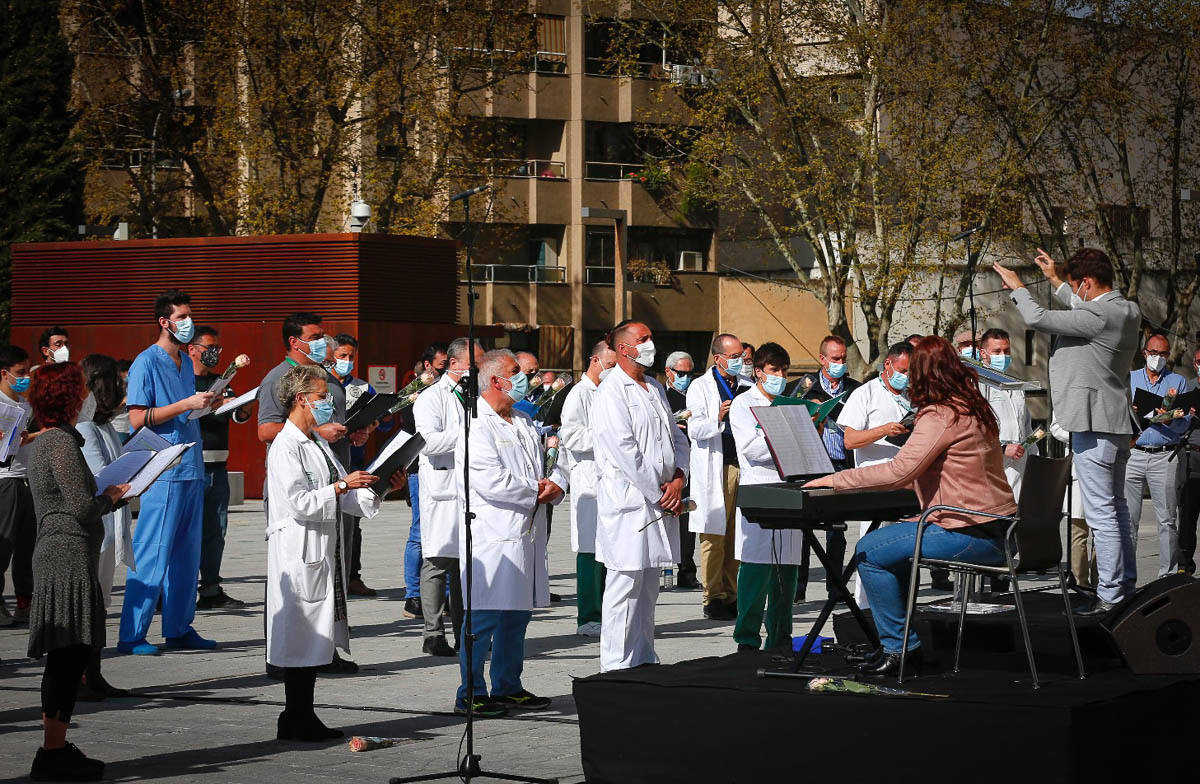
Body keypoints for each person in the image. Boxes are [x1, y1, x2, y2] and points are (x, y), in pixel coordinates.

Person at [805, 336, 1018, 675]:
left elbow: (899, 470)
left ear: (923, 374)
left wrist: (835, 479)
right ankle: (902, 644)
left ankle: (900, 647)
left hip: (970, 531)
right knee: (895, 554)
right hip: (997, 527)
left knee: (867, 552)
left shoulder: (941, 413)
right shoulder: (972, 405)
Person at [994, 247, 1140, 615]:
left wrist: (1018, 286)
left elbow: (1039, 318)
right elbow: (1081, 307)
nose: (1077, 293)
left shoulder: (1098, 315)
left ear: (1088, 283)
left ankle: (1109, 595)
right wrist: (1057, 279)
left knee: (1101, 513)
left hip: (1094, 422)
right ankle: (1124, 585)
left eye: (1079, 286)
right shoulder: (1125, 308)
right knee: (1116, 509)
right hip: (1114, 421)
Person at [265, 365, 401, 741]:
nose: (328, 404)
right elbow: (300, 503)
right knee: (300, 632)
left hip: (322, 547)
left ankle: (301, 714)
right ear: (301, 399)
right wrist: (341, 485)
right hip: (298, 548)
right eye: (323, 397)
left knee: (314, 634)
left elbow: (346, 497)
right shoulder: (285, 446)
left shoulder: (318, 443)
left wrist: (383, 486)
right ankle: (295, 716)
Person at [26, 362, 128, 781]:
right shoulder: (59, 443)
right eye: (82, 391)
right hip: (64, 554)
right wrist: (111, 498)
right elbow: (82, 507)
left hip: (65, 551)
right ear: (69, 398)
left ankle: (56, 746)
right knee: (67, 657)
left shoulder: (53, 440)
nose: (88, 397)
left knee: (69, 656)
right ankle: (52, 752)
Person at [452, 349, 565, 717]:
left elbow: (553, 462)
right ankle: (470, 690)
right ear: (497, 380)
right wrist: (536, 489)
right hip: (492, 535)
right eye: (516, 372)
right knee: (483, 617)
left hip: (526, 532)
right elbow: (490, 482)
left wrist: (557, 485)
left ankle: (508, 685)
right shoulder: (476, 426)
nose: (524, 379)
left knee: (517, 615)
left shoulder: (522, 420)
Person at [257, 312, 362, 675]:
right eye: (316, 335)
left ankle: (324, 648)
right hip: (301, 499)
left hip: (331, 487)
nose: (326, 341)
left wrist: (350, 433)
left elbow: (330, 425)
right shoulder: (277, 379)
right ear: (294, 341)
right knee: (295, 581)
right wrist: (322, 435)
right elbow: (267, 429)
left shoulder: (327, 378)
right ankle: (282, 656)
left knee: (330, 572)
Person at [118, 290, 219, 655]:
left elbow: (184, 412)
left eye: (190, 315)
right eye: (183, 316)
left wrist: (207, 404)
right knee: (152, 550)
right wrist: (185, 403)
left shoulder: (185, 363)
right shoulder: (146, 362)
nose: (188, 322)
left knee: (186, 556)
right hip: (163, 469)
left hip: (191, 464)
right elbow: (136, 419)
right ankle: (131, 634)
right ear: (165, 322)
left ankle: (178, 627)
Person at [593, 321, 689, 671]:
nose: (651, 344)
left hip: (663, 498)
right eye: (643, 339)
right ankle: (615, 665)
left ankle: (644, 657)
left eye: (651, 337)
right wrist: (659, 491)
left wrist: (679, 478)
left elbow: (677, 438)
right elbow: (625, 451)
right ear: (623, 349)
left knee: (649, 586)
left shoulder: (653, 387)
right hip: (631, 503)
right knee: (625, 585)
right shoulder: (611, 391)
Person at [729, 343, 804, 651]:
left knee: (787, 571)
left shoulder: (791, 404)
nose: (780, 376)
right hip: (760, 488)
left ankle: (780, 639)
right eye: (774, 370)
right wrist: (783, 432)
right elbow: (752, 449)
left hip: (790, 487)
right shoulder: (743, 404)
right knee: (756, 569)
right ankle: (746, 639)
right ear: (759, 371)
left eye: (784, 371)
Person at [414, 337, 482, 656]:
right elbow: (428, 443)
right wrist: (470, 433)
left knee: (465, 565)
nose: (480, 369)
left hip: (472, 488)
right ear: (454, 364)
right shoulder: (430, 398)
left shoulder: (477, 396)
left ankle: (465, 633)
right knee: (439, 561)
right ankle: (433, 633)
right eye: (475, 363)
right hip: (443, 487)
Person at [836, 341, 914, 606]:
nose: (907, 376)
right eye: (903, 370)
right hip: (875, 486)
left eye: (912, 372)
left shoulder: (912, 396)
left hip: (906, 486)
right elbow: (849, 439)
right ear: (888, 364)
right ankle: (865, 610)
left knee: (903, 556)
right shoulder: (865, 394)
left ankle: (899, 612)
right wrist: (883, 430)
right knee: (872, 553)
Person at [75, 354, 133, 700]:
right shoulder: (84, 427)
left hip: (110, 519)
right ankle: (83, 675)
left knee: (100, 604)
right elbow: (102, 477)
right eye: (116, 382)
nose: (121, 389)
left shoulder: (104, 424)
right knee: (90, 603)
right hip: (96, 527)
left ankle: (93, 672)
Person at [787, 335, 861, 601]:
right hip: (811, 465)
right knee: (804, 529)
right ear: (822, 359)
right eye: (835, 359)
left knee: (836, 530)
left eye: (843, 358)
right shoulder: (803, 387)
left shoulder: (854, 388)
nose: (840, 363)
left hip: (841, 463)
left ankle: (835, 587)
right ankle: (799, 588)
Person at [187, 326, 254, 610]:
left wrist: (242, 408)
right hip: (188, 467)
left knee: (216, 532)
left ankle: (211, 590)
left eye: (218, 348)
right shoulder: (180, 381)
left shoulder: (222, 381)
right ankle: (176, 591)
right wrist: (210, 404)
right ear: (192, 348)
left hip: (218, 468)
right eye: (208, 348)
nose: (214, 353)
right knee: (186, 533)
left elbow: (237, 415)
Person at [687, 332, 747, 620]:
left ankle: (733, 592)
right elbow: (694, 429)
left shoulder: (747, 386)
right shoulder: (701, 387)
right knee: (714, 534)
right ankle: (713, 596)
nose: (739, 362)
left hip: (742, 466)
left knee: (737, 534)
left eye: (742, 357)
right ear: (718, 358)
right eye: (734, 357)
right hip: (716, 468)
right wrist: (718, 418)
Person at [560, 340, 617, 636]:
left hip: (611, 481)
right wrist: (608, 435)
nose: (613, 370)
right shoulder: (579, 395)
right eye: (609, 365)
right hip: (589, 481)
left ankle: (608, 611)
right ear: (594, 360)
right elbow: (571, 436)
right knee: (588, 549)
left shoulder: (611, 391)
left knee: (609, 549)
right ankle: (588, 616)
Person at [1126, 333, 1190, 577]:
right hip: (1133, 454)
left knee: (1167, 520)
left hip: (1165, 455)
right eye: (1154, 353)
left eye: (1163, 354)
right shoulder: (1129, 379)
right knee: (1128, 520)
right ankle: (1127, 578)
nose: (1158, 358)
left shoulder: (1177, 381)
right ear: (1145, 353)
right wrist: (1132, 412)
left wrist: (1170, 418)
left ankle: (1168, 575)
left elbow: (1185, 423)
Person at [397, 342, 449, 620]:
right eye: (442, 366)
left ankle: (449, 595)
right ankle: (413, 595)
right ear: (428, 365)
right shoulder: (416, 395)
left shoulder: (452, 391)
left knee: (449, 531)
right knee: (419, 532)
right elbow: (413, 430)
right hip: (419, 469)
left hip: (448, 469)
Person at [330, 333, 379, 597]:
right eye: (342, 356)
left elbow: (378, 419)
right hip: (330, 459)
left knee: (353, 524)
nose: (347, 361)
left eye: (351, 357)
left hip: (354, 462)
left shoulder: (361, 387)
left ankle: (351, 575)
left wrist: (368, 428)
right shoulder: (321, 384)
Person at [0, 345, 39, 627]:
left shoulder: (26, 404)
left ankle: (26, 601)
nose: (25, 377)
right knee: (4, 547)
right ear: (4, 374)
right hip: (5, 481)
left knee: (29, 547)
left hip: (28, 479)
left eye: (27, 371)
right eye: (20, 373)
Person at [664, 350, 700, 589]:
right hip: (669, 464)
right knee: (668, 516)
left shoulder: (696, 395)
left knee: (688, 519)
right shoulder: (660, 395)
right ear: (668, 372)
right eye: (680, 373)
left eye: (689, 373)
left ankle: (686, 569)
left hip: (694, 461)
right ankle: (664, 565)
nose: (685, 378)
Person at [1178, 346, 1200, 575]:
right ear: (1194, 363)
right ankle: (1184, 566)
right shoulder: (1189, 388)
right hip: (1192, 456)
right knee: (1187, 516)